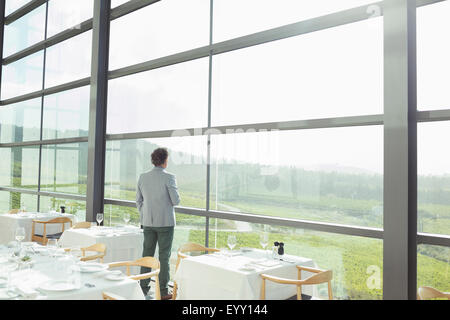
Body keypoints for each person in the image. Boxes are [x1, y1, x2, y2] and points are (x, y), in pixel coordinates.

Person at [136, 147, 180, 300]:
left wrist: (145, 213)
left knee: (146, 255)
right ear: (165, 161)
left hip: (148, 222)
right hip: (165, 223)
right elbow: (176, 201)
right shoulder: (169, 177)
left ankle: (142, 288)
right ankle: (162, 291)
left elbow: (138, 201)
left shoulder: (143, 177)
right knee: (164, 257)